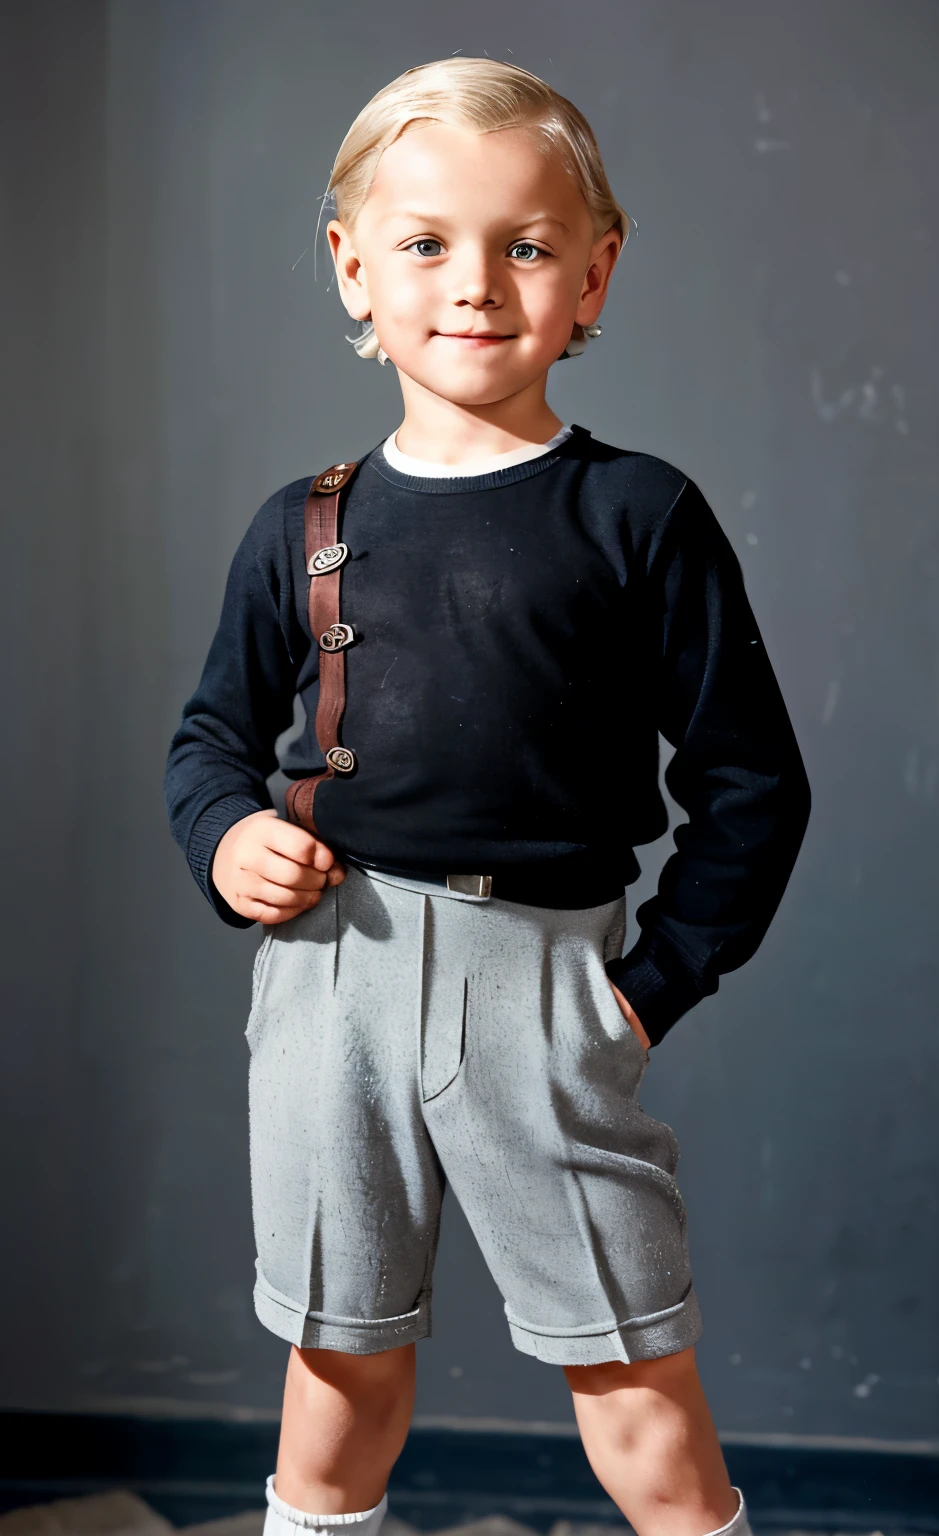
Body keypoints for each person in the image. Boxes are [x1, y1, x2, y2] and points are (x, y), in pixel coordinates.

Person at [164, 57, 811, 1536]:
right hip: (337, 982)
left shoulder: (638, 515)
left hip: (548, 990)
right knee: (339, 1370)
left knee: (636, 1388)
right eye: (427, 242)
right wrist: (228, 840)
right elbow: (209, 739)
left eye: (525, 245)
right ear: (351, 265)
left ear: (596, 273)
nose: (477, 283)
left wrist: (642, 992)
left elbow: (754, 790)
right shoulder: (304, 527)